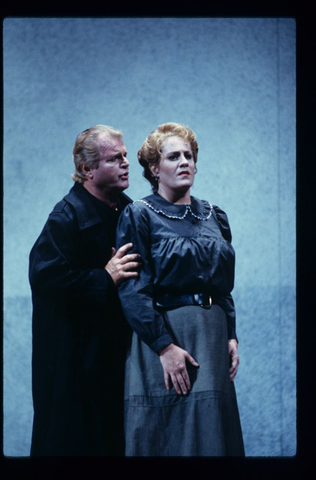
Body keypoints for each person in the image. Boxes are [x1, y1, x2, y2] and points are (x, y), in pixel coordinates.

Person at [116, 122, 245, 456]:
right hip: (164, 337)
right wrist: (164, 347)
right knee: (166, 436)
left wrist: (231, 335)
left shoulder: (215, 215)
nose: (185, 161)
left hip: (212, 337)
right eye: (174, 156)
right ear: (155, 169)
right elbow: (132, 289)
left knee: (213, 436)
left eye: (189, 155)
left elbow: (224, 287)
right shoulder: (139, 214)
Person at [29, 125, 141, 456]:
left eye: (125, 156)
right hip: (75, 359)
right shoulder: (66, 216)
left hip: (116, 353)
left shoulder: (128, 210)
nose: (125, 163)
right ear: (87, 169)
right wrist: (104, 277)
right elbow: (45, 278)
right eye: (114, 158)